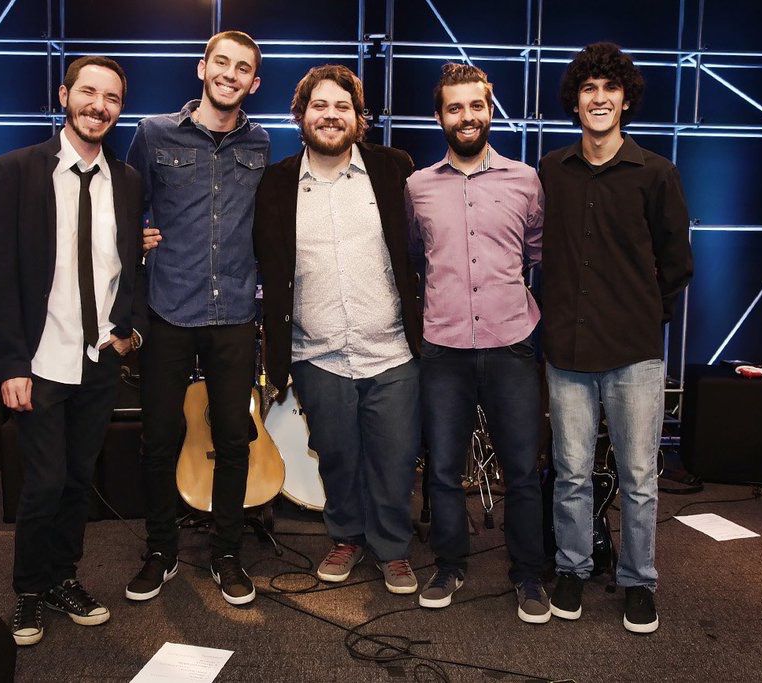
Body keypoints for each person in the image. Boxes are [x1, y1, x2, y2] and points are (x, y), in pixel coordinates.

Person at [0, 55, 145, 646]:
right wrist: (10, 364)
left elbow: (129, 266)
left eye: (112, 98)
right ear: (64, 95)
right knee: (45, 482)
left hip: (99, 358)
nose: (99, 106)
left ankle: (63, 578)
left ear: (119, 109)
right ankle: (29, 590)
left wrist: (128, 331)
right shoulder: (15, 170)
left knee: (79, 481)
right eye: (88, 92)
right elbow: (1, 274)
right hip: (40, 360)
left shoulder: (127, 181)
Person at [540, 42, 693, 634]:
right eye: (589, 89)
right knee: (571, 474)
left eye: (610, 88)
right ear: (575, 101)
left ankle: (638, 581)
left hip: (634, 354)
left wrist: (643, 315)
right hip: (568, 352)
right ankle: (572, 569)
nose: (599, 98)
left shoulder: (656, 173)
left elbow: (677, 264)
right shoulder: (552, 170)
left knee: (639, 478)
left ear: (625, 100)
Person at [253, 65, 423, 594]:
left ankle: (392, 549)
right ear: (301, 115)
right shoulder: (277, 183)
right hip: (317, 351)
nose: (331, 115)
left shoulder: (394, 169)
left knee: (395, 460)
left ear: (358, 117)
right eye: (319, 106)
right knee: (337, 456)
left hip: (392, 349)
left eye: (342, 106)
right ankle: (346, 537)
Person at [125, 30, 269, 606]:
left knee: (234, 438)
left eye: (243, 68)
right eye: (222, 63)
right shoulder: (152, 133)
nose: (230, 74)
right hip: (168, 307)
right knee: (159, 438)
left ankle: (226, 553)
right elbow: (124, 205)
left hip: (234, 310)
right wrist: (134, 237)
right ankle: (160, 551)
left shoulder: (261, 143)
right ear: (201, 68)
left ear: (253, 83)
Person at [405, 63, 550, 623]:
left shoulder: (526, 180)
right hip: (443, 348)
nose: (466, 116)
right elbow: (415, 258)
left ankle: (528, 574)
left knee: (522, 470)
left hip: (511, 342)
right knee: (443, 469)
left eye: (476, 106)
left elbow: (538, 253)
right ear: (439, 116)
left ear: (490, 110)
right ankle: (449, 565)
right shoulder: (417, 187)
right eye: (454, 107)